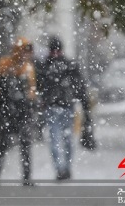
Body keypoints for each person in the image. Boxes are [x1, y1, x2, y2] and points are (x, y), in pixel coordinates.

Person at [37, 36, 94, 181]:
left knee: (63, 141)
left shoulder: (52, 66)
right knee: (59, 141)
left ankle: (64, 169)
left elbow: (79, 86)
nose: (55, 53)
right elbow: (79, 86)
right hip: (58, 108)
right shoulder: (63, 65)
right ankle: (62, 169)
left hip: (64, 108)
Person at [0, 37, 37, 186]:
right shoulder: (3, 65)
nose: (26, 55)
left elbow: (32, 89)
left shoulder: (28, 69)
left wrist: (30, 96)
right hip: (5, 112)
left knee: (25, 146)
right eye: (24, 51)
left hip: (23, 113)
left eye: (28, 52)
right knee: (1, 146)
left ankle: (27, 178)